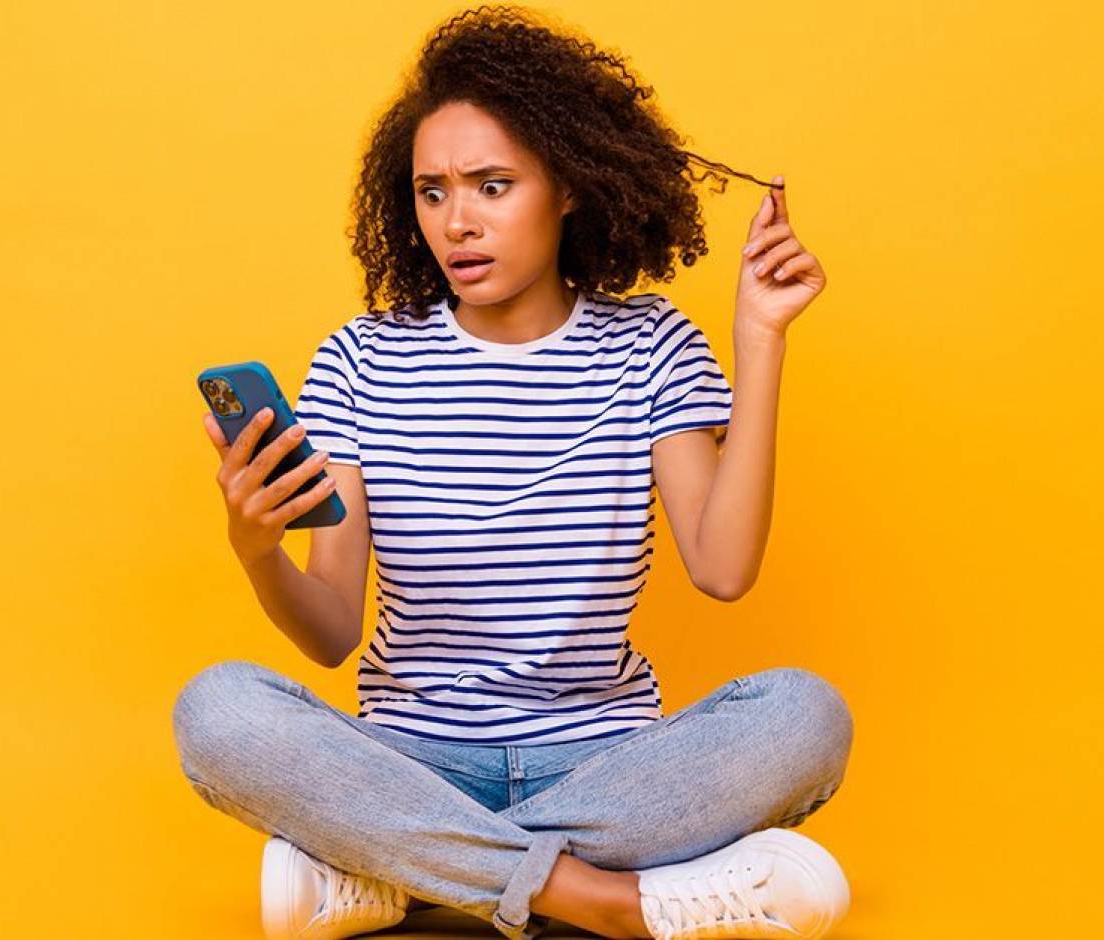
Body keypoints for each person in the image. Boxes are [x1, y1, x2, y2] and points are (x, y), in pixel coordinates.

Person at [174, 6, 852, 939]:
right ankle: (601, 898)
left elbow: (724, 570)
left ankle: (404, 875)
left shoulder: (652, 347)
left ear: (566, 186)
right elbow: (330, 634)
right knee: (217, 711)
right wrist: (255, 551)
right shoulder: (361, 361)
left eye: (493, 186)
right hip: (412, 762)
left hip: (607, 765)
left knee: (806, 717)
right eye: (432, 192)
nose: (458, 223)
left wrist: (760, 339)